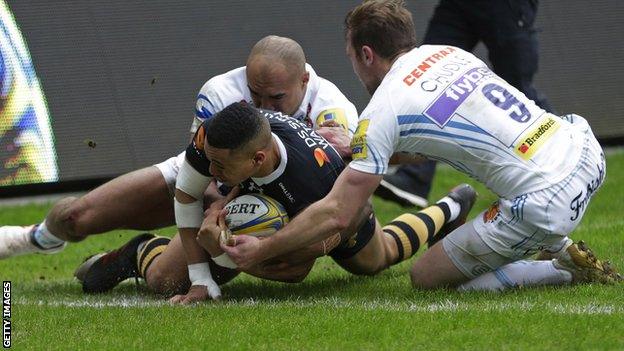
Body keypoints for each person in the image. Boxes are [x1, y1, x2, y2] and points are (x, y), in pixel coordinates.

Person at [219, 0, 622, 292]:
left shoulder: (383, 110)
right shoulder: (447, 53)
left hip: (545, 199)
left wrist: (262, 249)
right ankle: (552, 241)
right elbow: (437, 141)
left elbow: (339, 214)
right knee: (510, 169)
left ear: (366, 53)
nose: (354, 68)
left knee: (426, 276)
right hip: (583, 149)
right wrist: (361, 148)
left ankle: (564, 268)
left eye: (352, 58)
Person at [76, 102, 477, 303]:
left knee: (376, 259)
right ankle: (140, 249)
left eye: (220, 165)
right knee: (168, 281)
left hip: (334, 213)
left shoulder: (316, 181)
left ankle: (449, 207)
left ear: (257, 160)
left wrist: (235, 252)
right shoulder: (215, 140)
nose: (209, 166)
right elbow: (186, 195)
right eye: (209, 159)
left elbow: (296, 270)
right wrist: (202, 271)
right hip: (251, 199)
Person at [0, 35, 357, 260]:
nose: (263, 105)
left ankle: (139, 256)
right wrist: (217, 212)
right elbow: (206, 174)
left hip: (286, 201)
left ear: (305, 80)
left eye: (276, 97)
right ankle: (38, 238)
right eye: (255, 94)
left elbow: (343, 183)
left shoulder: (332, 105)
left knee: (166, 280)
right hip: (214, 182)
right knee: (77, 217)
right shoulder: (220, 92)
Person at [376, 0, 554, 208]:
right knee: (429, 77)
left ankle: (570, 156)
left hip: (506, 6)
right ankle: (415, 179)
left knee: (517, 89)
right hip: (459, 5)